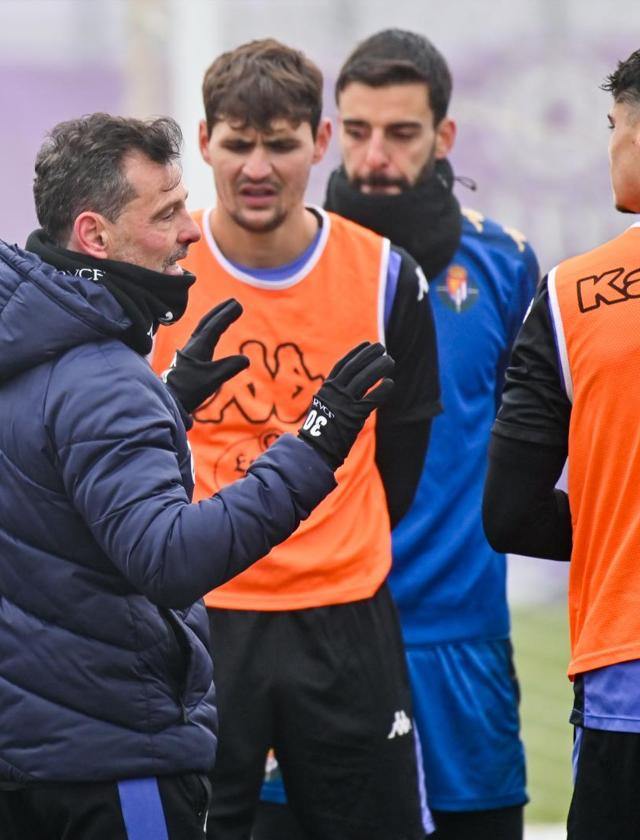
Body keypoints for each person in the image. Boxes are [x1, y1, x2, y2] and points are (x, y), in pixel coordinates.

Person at [0, 111, 396, 839]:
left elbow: (52, 498)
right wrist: (316, 442)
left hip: (21, 760)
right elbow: (172, 558)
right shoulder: (101, 378)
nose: (191, 229)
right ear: (94, 235)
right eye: (166, 213)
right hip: (115, 762)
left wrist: (168, 401)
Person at [149, 39, 441, 839]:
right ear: (204, 141)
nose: (257, 166)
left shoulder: (387, 277)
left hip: (344, 616)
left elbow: (401, 460)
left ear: (319, 143)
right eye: (238, 142)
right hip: (200, 615)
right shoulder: (156, 275)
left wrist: (331, 538)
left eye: (280, 144)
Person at [252, 29, 537, 840]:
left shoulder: (501, 264)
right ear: (334, 131)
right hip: (310, 636)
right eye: (361, 130)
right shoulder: (285, 259)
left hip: (455, 641)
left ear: (443, 138)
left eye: (402, 133)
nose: (376, 155)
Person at [484, 48, 640, 840]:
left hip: (627, 669)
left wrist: (615, 531)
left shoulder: (574, 295)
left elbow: (509, 514)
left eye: (613, 126)